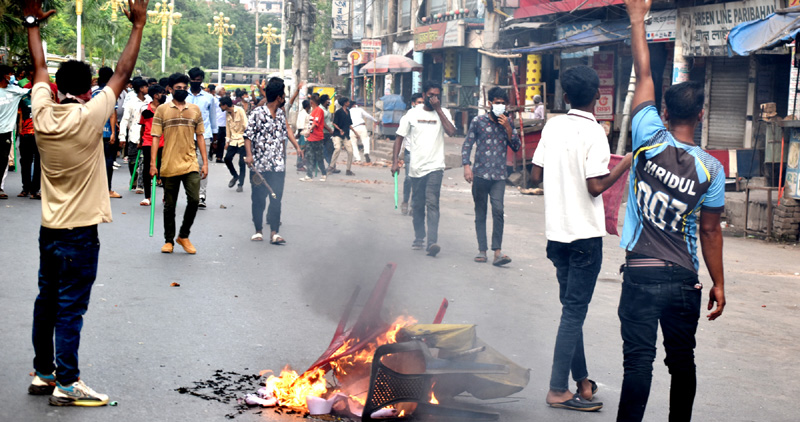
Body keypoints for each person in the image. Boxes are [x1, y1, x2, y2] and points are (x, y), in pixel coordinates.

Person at [25, 0, 146, 406]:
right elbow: (124, 72)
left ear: (57, 87)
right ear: (88, 85)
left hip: (49, 229)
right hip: (79, 233)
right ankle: (66, 382)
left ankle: (43, 374)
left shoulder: (42, 113)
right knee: (70, 308)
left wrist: (32, 24)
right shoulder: (91, 115)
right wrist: (139, 24)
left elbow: (39, 68)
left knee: (46, 301)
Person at [616, 1, 727, 420]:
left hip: (641, 272)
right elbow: (711, 231)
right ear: (699, 116)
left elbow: (644, 73)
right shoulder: (711, 168)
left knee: (638, 363)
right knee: (682, 364)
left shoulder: (648, 136)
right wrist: (718, 284)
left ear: (664, 113)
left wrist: (637, 17)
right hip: (684, 280)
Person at [530, 66, 632, 412]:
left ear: (565, 97)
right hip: (585, 237)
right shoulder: (595, 133)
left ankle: (583, 383)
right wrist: (627, 162)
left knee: (569, 314)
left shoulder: (553, 125)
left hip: (557, 235)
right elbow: (596, 186)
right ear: (599, 98)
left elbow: (535, 172)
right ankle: (558, 389)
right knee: (573, 314)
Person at [391, 81, 457, 257]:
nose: (433, 98)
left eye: (437, 95)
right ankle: (419, 236)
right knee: (418, 204)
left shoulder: (444, 113)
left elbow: (451, 131)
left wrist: (439, 110)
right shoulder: (412, 114)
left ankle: (432, 242)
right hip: (416, 166)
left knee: (433, 203)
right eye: (430, 95)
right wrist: (395, 161)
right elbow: (399, 137)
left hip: (435, 166)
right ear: (424, 94)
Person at [462, 87, 521, 266]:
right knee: (480, 212)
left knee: (498, 211)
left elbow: (516, 146)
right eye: (497, 103)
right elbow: (467, 145)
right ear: (490, 104)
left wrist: (508, 129)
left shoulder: (508, 123)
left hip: (499, 176)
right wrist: (467, 166)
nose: (500, 106)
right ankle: (482, 250)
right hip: (480, 174)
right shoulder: (478, 121)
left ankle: (497, 252)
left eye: (503, 104)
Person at [150, 73, 207, 255]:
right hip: (169, 163)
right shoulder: (162, 110)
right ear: (170, 89)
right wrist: (153, 164)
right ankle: (169, 241)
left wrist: (205, 162)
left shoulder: (195, 110)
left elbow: (200, 136)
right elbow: (155, 137)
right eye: (178, 88)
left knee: (195, 200)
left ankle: (183, 235)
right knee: (170, 205)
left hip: (190, 162)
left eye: (184, 88)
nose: (181, 91)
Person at [244, 77, 303, 243]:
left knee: (276, 198)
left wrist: (297, 146)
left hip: (277, 166)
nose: (284, 97)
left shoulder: (280, 115)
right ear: (279, 97)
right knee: (258, 198)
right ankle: (258, 230)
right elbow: (248, 136)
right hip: (259, 166)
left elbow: (287, 131)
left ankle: (274, 233)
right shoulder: (257, 113)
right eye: (283, 94)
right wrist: (249, 155)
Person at [185, 67, 217, 209]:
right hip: (186, 135)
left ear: (202, 81)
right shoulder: (184, 96)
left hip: (205, 136)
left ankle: (201, 195)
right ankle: (191, 193)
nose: (195, 82)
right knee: (186, 166)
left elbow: (212, 118)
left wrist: (215, 137)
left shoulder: (209, 98)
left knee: (201, 164)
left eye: (198, 80)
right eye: (193, 80)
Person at [0, 64, 30, 199]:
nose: (11, 77)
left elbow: (33, 91)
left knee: (2, 161)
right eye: (9, 74)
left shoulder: (16, 90)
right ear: (3, 76)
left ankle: (0, 188)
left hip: (6, 132)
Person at [93, 67, 122, 197]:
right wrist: (113, 132)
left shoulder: (94, 92)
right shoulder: (109, 93)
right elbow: (112, 114)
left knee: (95, 162)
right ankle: (108, 189)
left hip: (94, 132)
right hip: (106, 133)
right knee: (108, 161)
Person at [118, 77, 148, 193]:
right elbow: (125, 120)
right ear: (140, 89)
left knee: (143, 161)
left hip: (145, 136)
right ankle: (134, 177)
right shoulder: (131, 103)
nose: (147, 88)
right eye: (145, 87)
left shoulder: (149, 102)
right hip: (133, 135)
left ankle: (140, 184)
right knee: (132, 160)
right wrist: (122, 136)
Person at [139, 84, 165, 206]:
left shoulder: (166, 110)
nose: (164, 95)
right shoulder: (145, 110)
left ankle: (166, 195)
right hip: (148, 142)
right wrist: (140, 142)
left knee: (164, 168)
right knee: (147, 169)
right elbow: (143, 127)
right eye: (162, 93)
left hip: (163, 142)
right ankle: (147, 197)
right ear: (155, 95)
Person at [400, 93, 424, 215]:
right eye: (419, 102)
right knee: (409, 178)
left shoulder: (427, 117)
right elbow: (401, 136)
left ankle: (414, 205)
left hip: (423, 153)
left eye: (423, 102)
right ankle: (405, 201)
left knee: (419, 180)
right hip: (410, 152)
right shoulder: (407, 117)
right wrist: (398, 156)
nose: (421, 105)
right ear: (413, 103)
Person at [219, 96, 248, 192]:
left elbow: (246, 125)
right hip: (233, 140)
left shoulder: (240, 110)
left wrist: (248, 141)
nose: (220, 107)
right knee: (227, 159)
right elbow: (228, 130)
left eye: (221, 105)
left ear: (225, 105)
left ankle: (241, 184)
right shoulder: (227, 114)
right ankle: (235, 176)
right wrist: (227, 142)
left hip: (242, 140)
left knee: (242, 162)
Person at [17, 83, 40, 199]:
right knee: (25, 161)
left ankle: (35, 190)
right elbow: (20, 117)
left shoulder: (44, 99)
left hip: (40, 135)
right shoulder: (24, 98)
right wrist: (20, 131)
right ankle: (25, 188)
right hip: (26, 134)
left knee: (39, 162)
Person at [301, 93, 327, 182]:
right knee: (309, 156)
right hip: (311, 137)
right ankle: (309, 175)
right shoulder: (313, 111)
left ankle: (324, 173)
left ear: (311, 102)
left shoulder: (319, 111)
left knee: (319, 157)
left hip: (317, 138)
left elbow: (316, 123)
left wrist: (309, 131)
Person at [331, 96, 355, 176]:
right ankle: (331, 166)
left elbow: (349, 124)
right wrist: (340, 130)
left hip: (345, 135)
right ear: (345, 103)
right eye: (348, 102)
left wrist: (355, 132)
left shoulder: (348, 112)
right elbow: (334, 123)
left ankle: (348, 169)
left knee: (350, 151)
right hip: (337, 134)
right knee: (337, 149)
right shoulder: (338, 112)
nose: (349, 103)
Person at [211, 84, 227, 162]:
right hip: (216, 122)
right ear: (219, 91)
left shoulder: (226, 99)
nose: (224, 91)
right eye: (223, 89)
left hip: (223, 123)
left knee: (222, 141)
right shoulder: (214, 99)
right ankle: (211, 152)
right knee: (214, 140)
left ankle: (219, 157)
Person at [295, 99, 310, 171]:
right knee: (301, 150)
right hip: (303, 134)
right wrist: (298, 133)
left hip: (306, 134)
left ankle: (304, 164)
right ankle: (300, 165)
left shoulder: (306, 113)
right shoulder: (303, 114)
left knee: (305, 150)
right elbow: (301, 126)